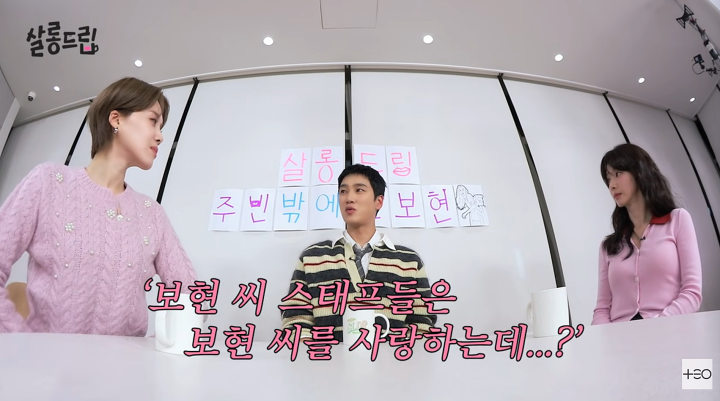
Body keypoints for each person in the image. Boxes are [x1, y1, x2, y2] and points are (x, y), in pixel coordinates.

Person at [0, 77, 198, 335]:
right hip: (44, 358)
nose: (160, 136)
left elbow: (191, 295)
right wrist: (20, 340)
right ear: (116, 119)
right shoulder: (47, 182)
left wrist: (158, 345)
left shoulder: (152, 213)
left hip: (124, 361)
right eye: (153, 121)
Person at [280, 164, 437, 342]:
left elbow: (422, 324)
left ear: (379, 201)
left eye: (359, 190)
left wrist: (395, 354)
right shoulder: (313, 257)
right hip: (325, 359)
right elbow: (295, 319)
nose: (349, 198)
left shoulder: (408, 261)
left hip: (392, 359)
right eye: (343, 191)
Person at [591, 143, 702, 324]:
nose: (612, 185)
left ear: (639, 172)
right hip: (620, 337)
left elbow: (692, 293)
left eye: (618, 174)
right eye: (608, 179)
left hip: (670, 331)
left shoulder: (678, 220)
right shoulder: (608, 247)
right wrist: (603, 337)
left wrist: (657, 325)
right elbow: (602, 309)